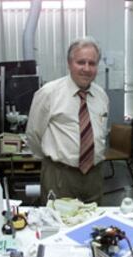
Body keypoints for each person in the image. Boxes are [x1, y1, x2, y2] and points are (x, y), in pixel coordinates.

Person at [26, 37, 109, 205]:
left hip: (94, 175)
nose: (86, 68)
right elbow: (34, 134)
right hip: (60, 176)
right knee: (58, 225)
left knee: (93, 226)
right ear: (69, 63)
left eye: (92, 63)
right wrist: (53, 162)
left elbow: (101, 133)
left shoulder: (102, 96)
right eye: (81, 62)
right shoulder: (49, 93)